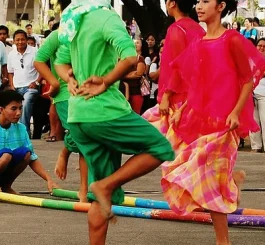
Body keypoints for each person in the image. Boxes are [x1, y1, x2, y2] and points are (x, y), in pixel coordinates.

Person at [55, 0, 175, 243]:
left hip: (77, 115)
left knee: (100, 199)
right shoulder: (106, 17)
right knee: (161, 147)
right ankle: (106, 185)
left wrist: (68, 78)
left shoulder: (73, 19)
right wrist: (107, 80)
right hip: (105, 111)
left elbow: (60, 62)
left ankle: (104, 189)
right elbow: (131, 58)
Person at [162, 0, 265, 243]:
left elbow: (247, 80)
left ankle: (223, 240)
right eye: (198, 1)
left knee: (207, 180)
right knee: (204, 178)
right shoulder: (198, 42)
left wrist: (235, 111)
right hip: (202, 120)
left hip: (225, 123)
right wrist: (184, 108)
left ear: (221, 6)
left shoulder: (231, 39)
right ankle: (231, 184)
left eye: (206, 2)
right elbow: (197, 85)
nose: (199, 6)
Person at [33, 0, 89, 202]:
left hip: (86, 92)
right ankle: (83, 191)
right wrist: (53, 83)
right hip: (65, 94)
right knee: (82, 137)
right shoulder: (58, 35)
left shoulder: (86, 35)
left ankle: (66, 152)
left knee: (88, 137)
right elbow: (39, 60)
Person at [0, 90, 58, 200]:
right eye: (14, 109)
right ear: (1, 110)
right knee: (6, 154)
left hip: (3, 170)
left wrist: (49, 179)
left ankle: (6, 186)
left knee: (26, 153)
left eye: (20, 108)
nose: (18, 113)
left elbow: (32, 158)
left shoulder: (21, 128)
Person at [142, 0, 205, 137]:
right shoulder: (199, 29)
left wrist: (166, 96)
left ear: (172, 3)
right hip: (192, 95)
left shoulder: (176, 29)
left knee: (159, 140)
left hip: (176, 97)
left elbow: (179, 67)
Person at [7, 30, 41, 135]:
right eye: (17, 40)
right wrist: (12, 86)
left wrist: (37, 82)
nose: (20, 42)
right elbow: (10, 72)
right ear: (14, 41)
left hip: (31, 87)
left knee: (26, 102)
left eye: (22, 39)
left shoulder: (35, 51)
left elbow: (42, 69)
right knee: (11, 106)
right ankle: (14, 132)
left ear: (26, 40)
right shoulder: (11, 54)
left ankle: (24, 132)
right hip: (16, 88)